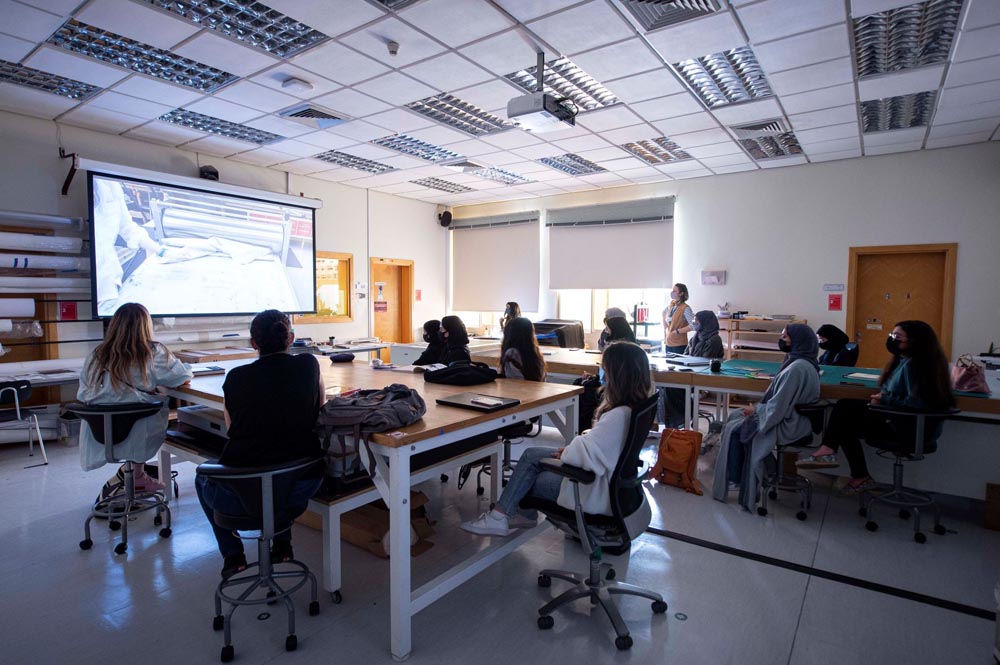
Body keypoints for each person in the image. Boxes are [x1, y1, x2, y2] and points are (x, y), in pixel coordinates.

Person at [461, 341, 652, 536]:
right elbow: (596, 449)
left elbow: (588, 454)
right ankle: (522, 515)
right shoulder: (635, 408)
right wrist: (569, 452)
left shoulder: (617, 416)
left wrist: (568, 453)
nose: (601, 373)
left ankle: (498, 518)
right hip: (608, 484)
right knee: (530, 455)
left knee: (528, 477)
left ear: (618, 374)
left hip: (592, 490)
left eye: (604, 368)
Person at [196, 310, 326, 579]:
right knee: (280, 462)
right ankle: (282, 545)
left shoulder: (236, 377)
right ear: (290, 338)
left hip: (242, 494)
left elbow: (233, 430)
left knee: (204, 477)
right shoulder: (309, 364)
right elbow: (319, 409)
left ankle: (233, 556)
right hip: (300, 484)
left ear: (254, 343)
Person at [796, 320, 956, 494]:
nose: (892, 339)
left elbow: (919, 402)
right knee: (845, 422)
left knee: (845, 407)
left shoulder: (917, 365)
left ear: (915, 340)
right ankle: (857, 475)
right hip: (906, 424)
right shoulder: (911, 361)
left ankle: (828, 452)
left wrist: (885, 400)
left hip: (908, 429)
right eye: (892, 335)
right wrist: (886, 397)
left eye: (897, 336)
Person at [77, 303, 193, 489]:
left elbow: (86, 390)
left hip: (100, 432)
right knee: (142, 414)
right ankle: (137, 475)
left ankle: (136, 476)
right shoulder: (152, 352)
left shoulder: (96, 354)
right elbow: (180, 376)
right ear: (146, 325)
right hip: (138, 430)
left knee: (130, 413)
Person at [712, 324, 821, 510]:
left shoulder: (797, 368)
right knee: (734, 417)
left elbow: (777, 408)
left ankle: (742, 477)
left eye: (786, 337)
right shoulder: (800, 362)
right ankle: (740, 475)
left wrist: (756, 411)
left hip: (790, 423)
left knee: (735, 427)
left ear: (799, 341)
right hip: (788, 416)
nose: (782, 340)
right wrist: (757, 410)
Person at [92, 178, 166, 315]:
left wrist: (159, 250)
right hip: (94, 284)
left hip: (109, 281)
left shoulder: (112, 184)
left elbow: (127, 227)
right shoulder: (91, 182)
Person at [663, 310, 726, 428]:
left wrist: (687, 362)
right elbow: (685, 355)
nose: (694, 323)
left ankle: (685, 414)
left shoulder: (714, 340)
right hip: (691, 372)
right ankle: (680, 417)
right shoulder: (695, 337)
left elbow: (704, 361)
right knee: (668, 384)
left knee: (673, 386)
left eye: (697, 321)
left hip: (704, 376)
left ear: (705, 322)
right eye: (694, 321)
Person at [498, 316, 546, 381]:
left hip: (518, 389)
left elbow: (514, 381)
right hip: (535, 388)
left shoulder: (512, 353)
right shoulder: (534, 352)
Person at [663, 283, 694, 353]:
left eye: (674, 291)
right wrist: (664, 322)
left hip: (679, 345)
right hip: (669, 343)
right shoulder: (672, 305)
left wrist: (677, 331)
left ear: (681, 293)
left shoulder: (686, 308)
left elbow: (693, 325)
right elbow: (663, 313)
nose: (672, 292)